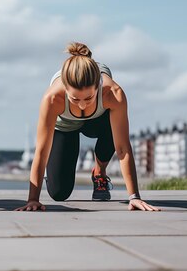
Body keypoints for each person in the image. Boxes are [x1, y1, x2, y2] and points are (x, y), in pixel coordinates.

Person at [16, 42, 159, 212]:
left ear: (97, 86)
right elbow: (41, 151)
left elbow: (122, 148)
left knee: (114, 131)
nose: (82, 105)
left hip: (99, 121)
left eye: (89, 98)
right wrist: (33, 199)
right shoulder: (52, 98)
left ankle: (99, 171)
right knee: (59, 192)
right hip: (65, 126)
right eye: (75, 99)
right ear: (65, 88)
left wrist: (134, 197)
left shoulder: (113, 93)